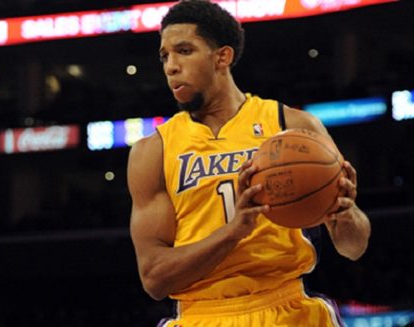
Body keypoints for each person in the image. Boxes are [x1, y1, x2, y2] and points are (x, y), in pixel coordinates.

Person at [127, 1, 371, 326]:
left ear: (222, 57)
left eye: (184, 51)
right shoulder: (152, 152)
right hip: (204, 316)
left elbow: (353, 247)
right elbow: (155, 279)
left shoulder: (294, 127)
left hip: (289, 309)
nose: (171, 66)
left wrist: (345, 213)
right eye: (165, 56)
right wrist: (234, 232)